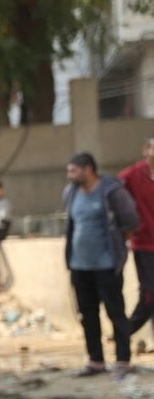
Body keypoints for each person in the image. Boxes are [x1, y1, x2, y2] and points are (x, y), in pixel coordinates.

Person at [63, 152, 138, 382]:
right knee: (87, 313)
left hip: (106, 264)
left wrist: (118, 246)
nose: (70, 175)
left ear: (89, 169)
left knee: (115, 312)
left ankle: (122, 360)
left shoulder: (111, 191)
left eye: (74, 170)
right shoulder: (71, 193)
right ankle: (95, 360)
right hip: (80, 264)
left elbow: (131, 221)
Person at [117, 135, 154, 345]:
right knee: (150, 294)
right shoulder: (132, 175)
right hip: (145, 244)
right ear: (145, 150)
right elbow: (113, 191)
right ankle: (125, 332)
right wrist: (127, 226)